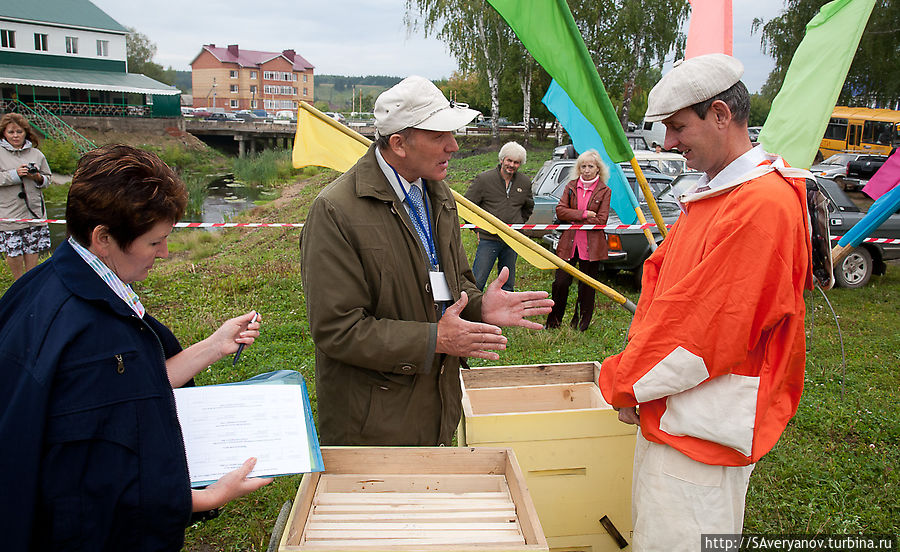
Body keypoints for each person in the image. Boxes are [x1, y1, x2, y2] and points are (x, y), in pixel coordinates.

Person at [0, 144, 271, 551]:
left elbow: (131, 388)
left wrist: (215, 346)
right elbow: (95, 484)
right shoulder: (88, 337)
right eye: (154, 242)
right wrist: (202, 497)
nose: (164, 253)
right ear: (103, 238)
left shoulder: (55, 287)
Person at [597, 54, 813, 550]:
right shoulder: (723, 194)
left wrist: (626, 384)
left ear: (720, 114)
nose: (668, 143)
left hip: (701, 435)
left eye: (677, 127)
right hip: (680, 418)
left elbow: (701, 333)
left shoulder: (759, 205)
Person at [300, 75, 553, 446]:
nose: (453, 146)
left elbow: (455, 280)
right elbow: (338, 330)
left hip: (436, 404)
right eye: (438, 135)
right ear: (399, 143)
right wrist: (436, 338)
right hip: (374, 423)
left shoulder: (438, 194)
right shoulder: (335, 211)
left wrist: (481, 306)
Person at [545, 149, 611, 331]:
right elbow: (560, 211)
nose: (587, 170)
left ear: (598, 169)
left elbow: (601, 220)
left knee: (587, 287)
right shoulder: (571, 186)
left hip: (592, 247)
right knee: (560, 283)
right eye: (583, 166)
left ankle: (580, 325)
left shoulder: (605, 190)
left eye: (590, 166)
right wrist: (583, 214)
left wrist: (573, 216)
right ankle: (553, 323)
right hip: (569, 243)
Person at [464, 141, 534, 291]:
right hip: (489, 238)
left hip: (512, 239)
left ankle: (504, 311)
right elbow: (467, 205)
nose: (512, 165)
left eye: (516, 162)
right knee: (478, 280)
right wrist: (476, 229)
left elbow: (528, 207)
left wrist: (518, 223)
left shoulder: (525, 182)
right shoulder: (484, 179)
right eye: (509, 160)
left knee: (507, 283)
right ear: (501, 159)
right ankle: (470, 311)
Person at [0, 113, 52, 281]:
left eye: (19, 132)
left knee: (33, 248)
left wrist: (37, 177)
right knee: (13, 250)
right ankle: (18, 282)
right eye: (11, 132)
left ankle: (31, 281)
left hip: (34, 212)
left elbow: (47, 178)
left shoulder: (37, 154)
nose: (15, 136)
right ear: (4, 133)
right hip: (9, 213)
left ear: (26, 133)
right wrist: (14, 175)